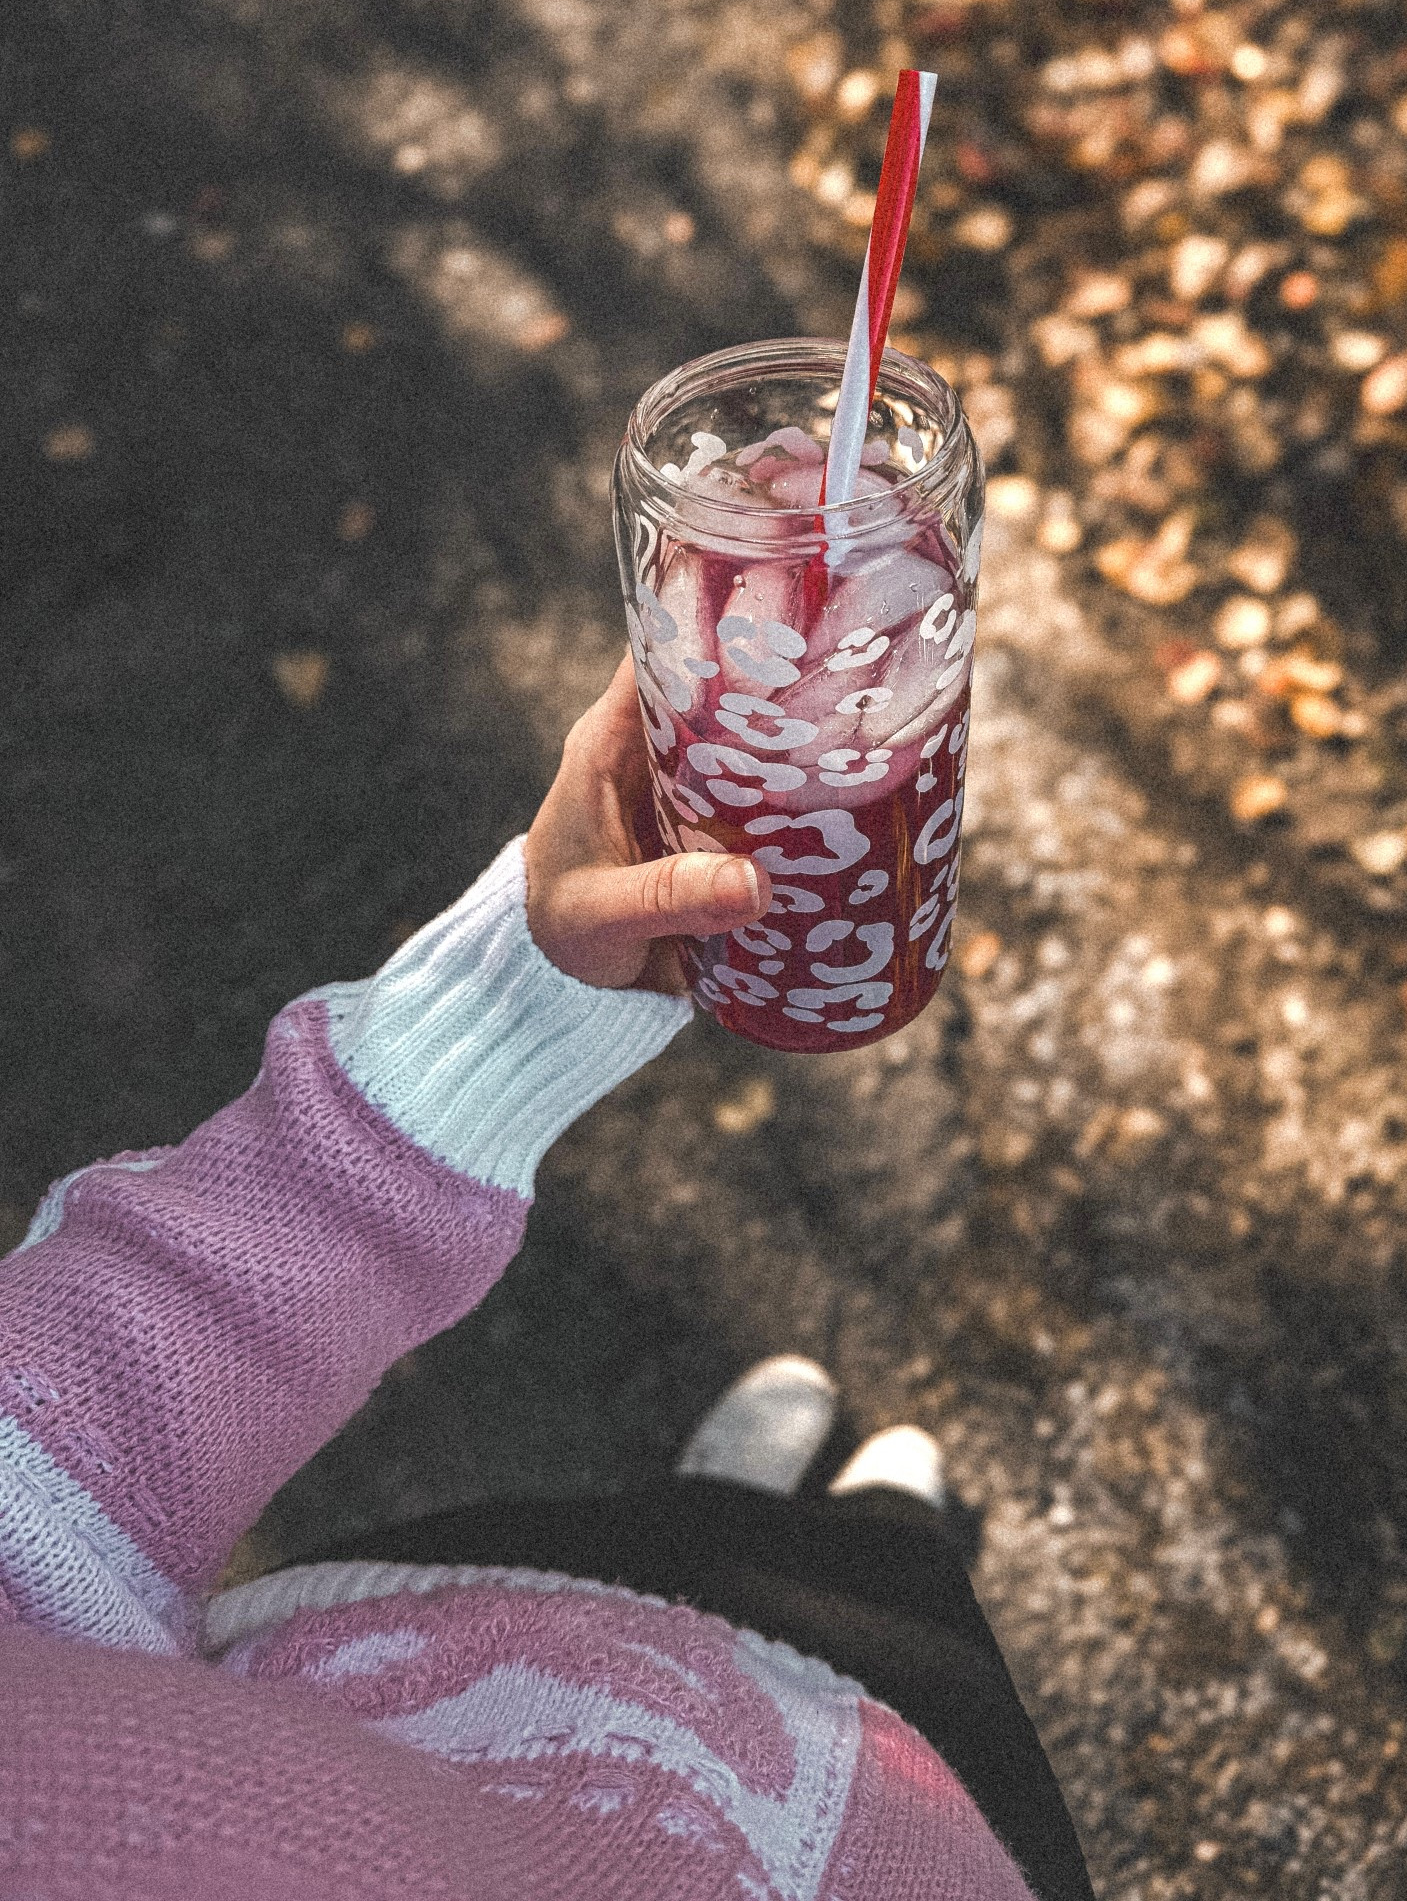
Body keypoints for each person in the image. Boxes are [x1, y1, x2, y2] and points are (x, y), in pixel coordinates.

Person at [0, 658, 1096, 1901]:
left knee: (676, 1545)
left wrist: (510, 1005)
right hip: (916, 1828)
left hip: (467, 1646)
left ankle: (716, 1523)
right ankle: (880, 1540)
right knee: (889, 1586)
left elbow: (48, 1470)